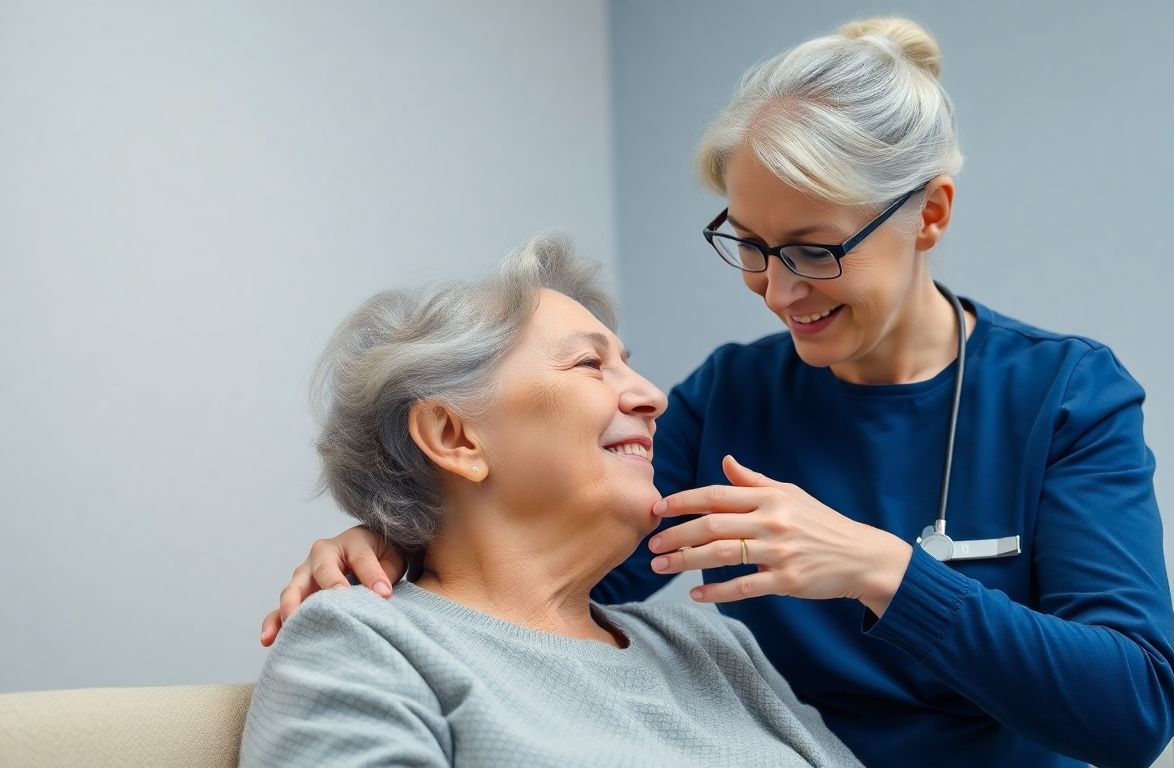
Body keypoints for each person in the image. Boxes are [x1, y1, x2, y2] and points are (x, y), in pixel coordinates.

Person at [260, 17, 1174, 768]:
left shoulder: (1061, 396)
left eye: (816, 249)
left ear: (930, 214)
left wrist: (887, 573)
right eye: (750, 244)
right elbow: (538, 566)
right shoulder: (728, 400)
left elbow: (1133, 709)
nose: (779, 291)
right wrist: (396, 531)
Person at [240, 234, 863, 767]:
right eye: (591, 364)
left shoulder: (710, 646)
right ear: (453, 436)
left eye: (628, 364)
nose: (653, 397)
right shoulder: (363, 641)